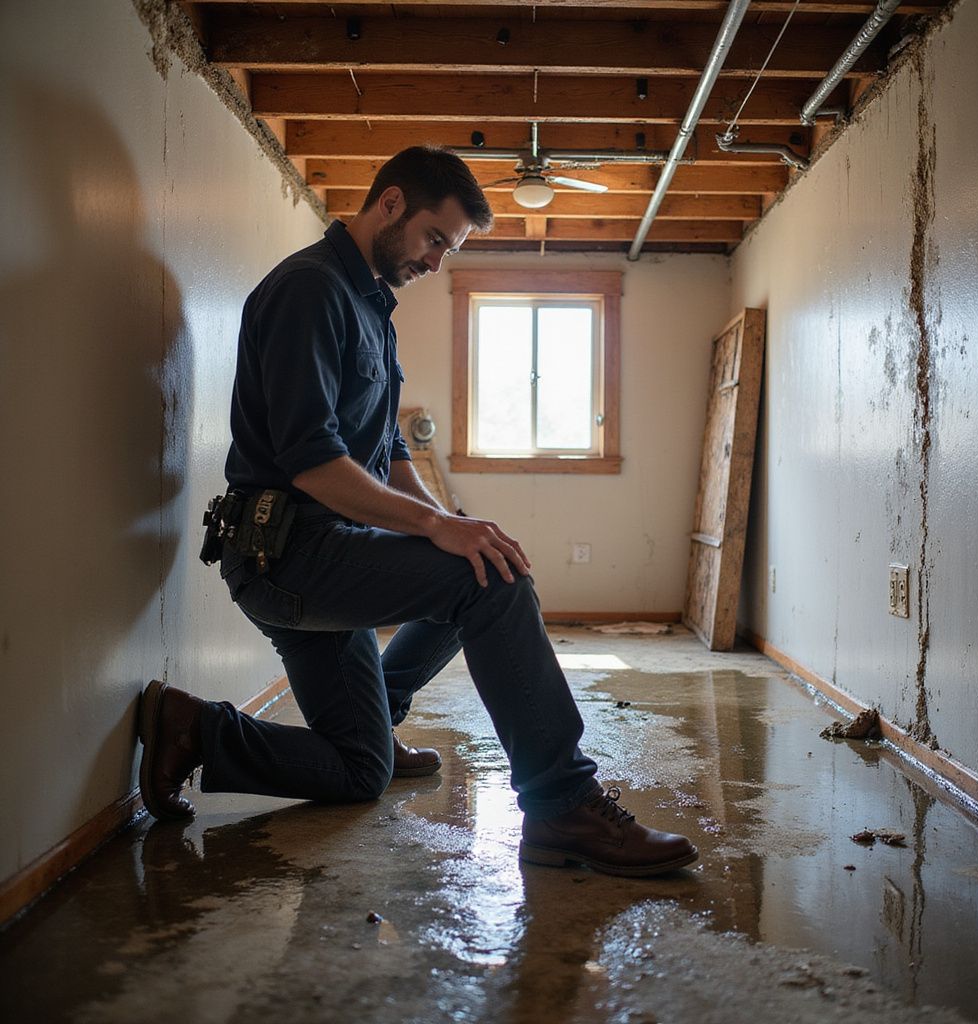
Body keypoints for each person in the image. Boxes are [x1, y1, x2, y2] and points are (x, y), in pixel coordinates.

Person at [137, 146, 699, 877]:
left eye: (451, 250)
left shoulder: (372, 306)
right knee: (489, 584)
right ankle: (563, 807)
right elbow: (313, 464)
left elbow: (388, 450)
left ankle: (199, 729)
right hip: (286, 557)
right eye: (436, 239)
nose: (437, 263)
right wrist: (439, 531)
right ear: (392, 204)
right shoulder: (309, 290)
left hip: (322, 549)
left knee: (358, 769)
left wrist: (450, 524)